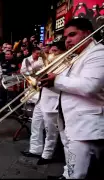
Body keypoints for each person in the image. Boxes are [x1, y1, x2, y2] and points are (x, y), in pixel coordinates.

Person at [45, 18, 104, 179]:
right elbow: (68, 87)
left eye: (72, 34)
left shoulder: (98, 52)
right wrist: (50, 83)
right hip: (71, 123)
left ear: (87, 33)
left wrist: (55, 79)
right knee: (72, 167)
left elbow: (89, 86)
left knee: (79, 174)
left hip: (85, 127)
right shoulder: (76, 56)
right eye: (66, 37)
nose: (68, 40)